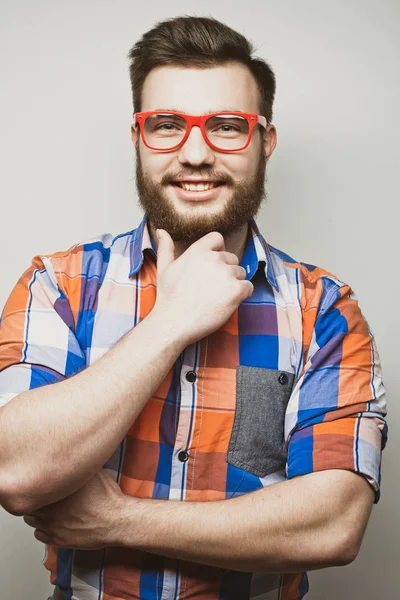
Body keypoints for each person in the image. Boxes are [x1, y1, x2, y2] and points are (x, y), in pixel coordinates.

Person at [0, 15, 387, 600]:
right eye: (167, 125)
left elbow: (334, 525)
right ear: (137, 139)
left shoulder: (325, 309)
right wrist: (171, 321)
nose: (197, 153)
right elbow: (17, 473)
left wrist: (118, 519)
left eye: (228, 127)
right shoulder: (58, 285)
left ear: (265, 142)